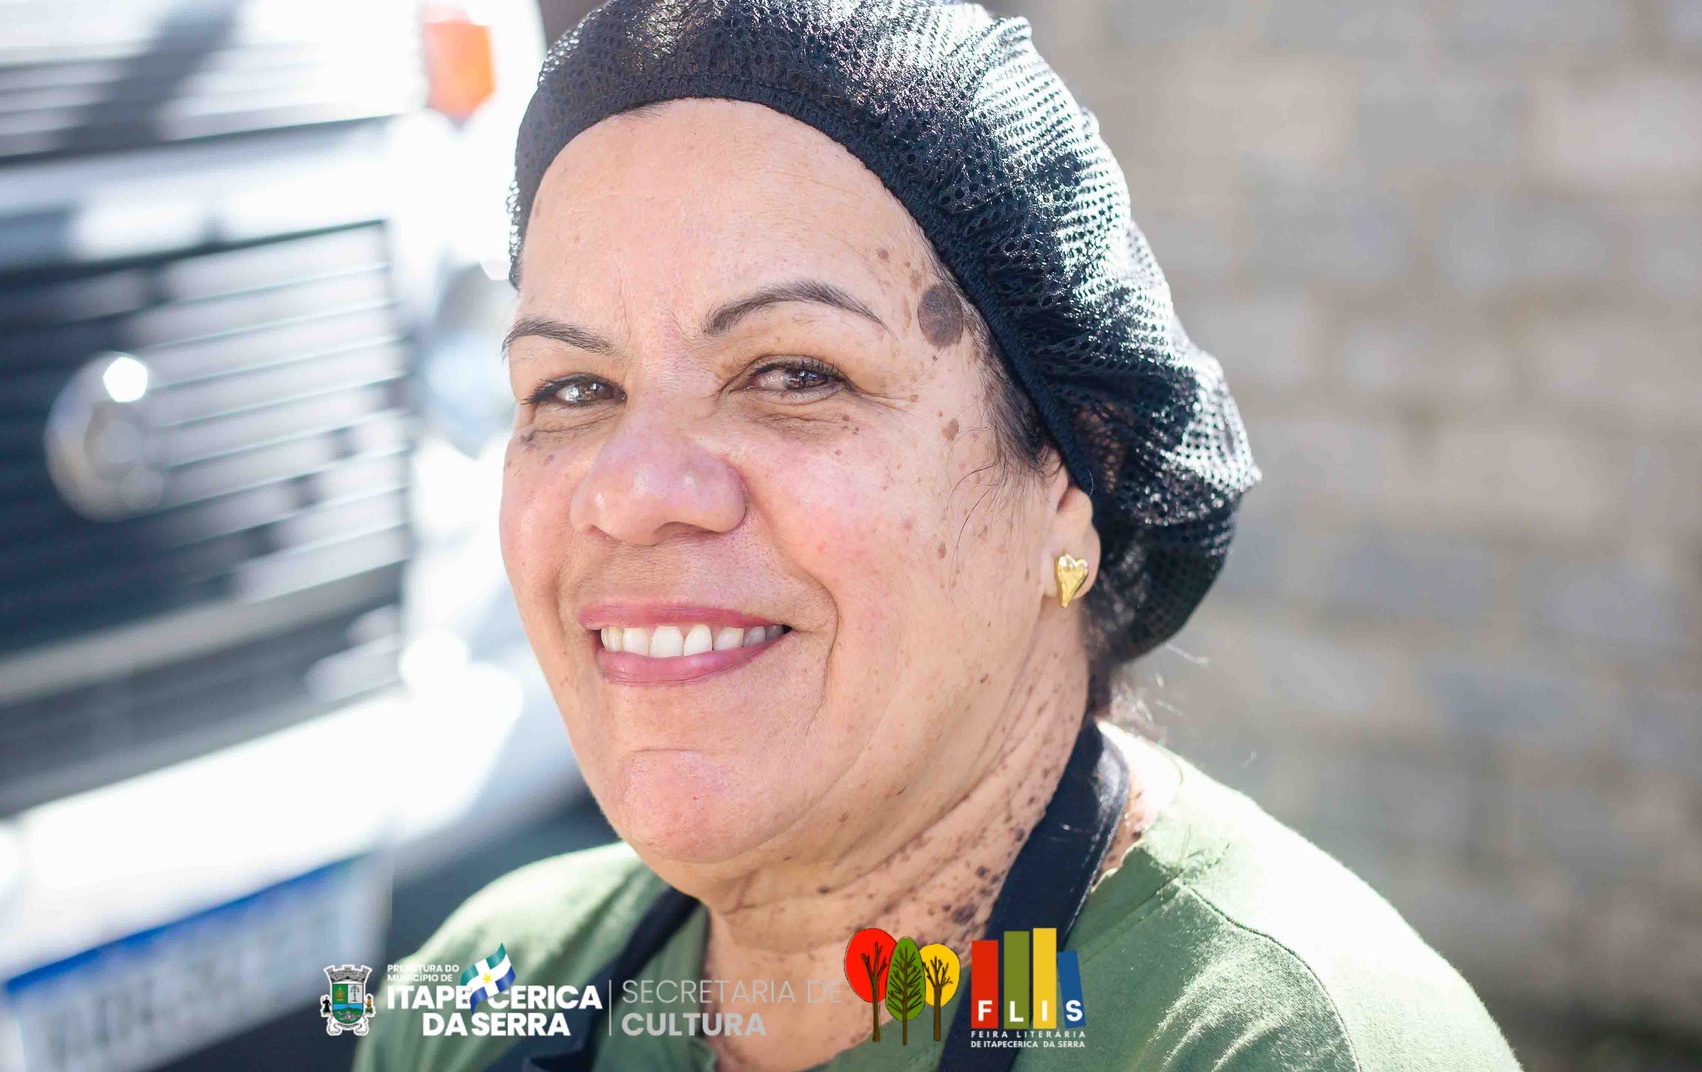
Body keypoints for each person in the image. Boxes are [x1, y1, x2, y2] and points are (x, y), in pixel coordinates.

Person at [357, 1, 1523, 1069]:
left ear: (1070, 476)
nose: (629, 491)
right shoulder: (473, 998)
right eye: (570, 389)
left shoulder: (1269, 1045)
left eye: (792, 372)